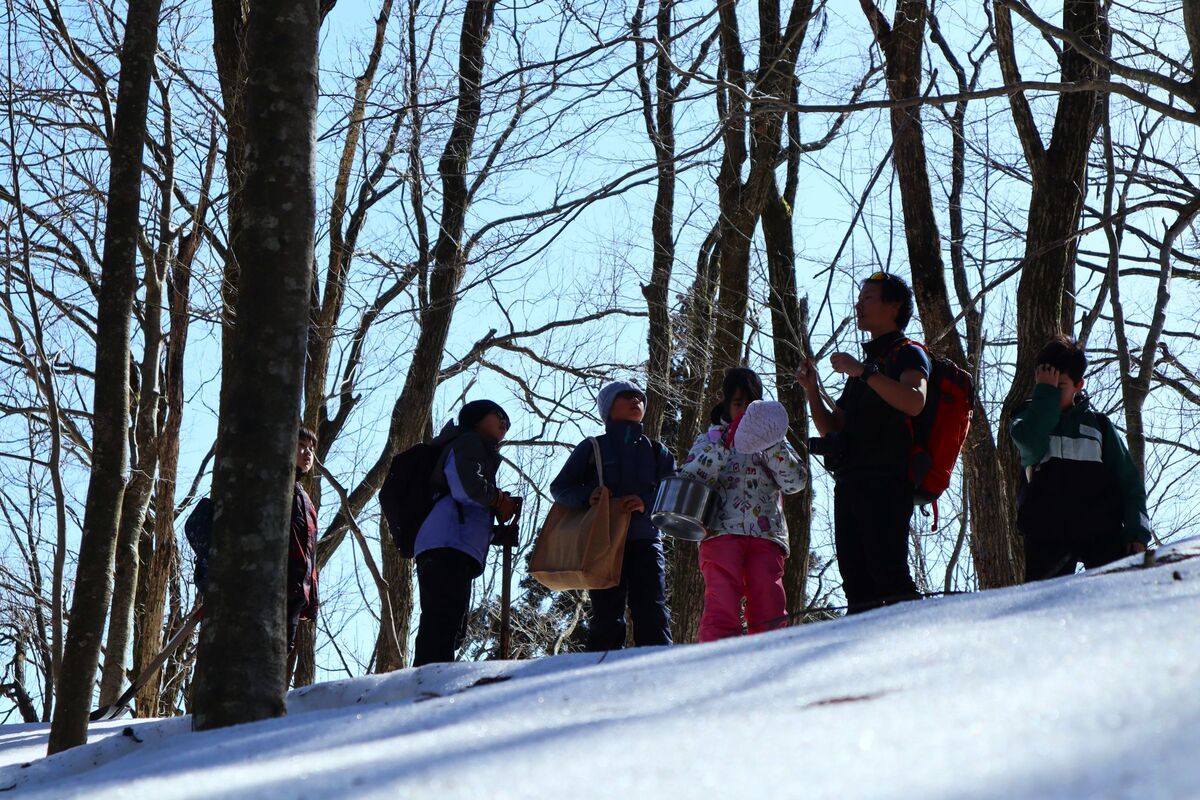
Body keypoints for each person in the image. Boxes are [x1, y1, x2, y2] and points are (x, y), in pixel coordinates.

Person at [796, 272, 930, 614]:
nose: (858, 305)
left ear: (894, 307)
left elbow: (915, 401)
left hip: (887, 482)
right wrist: (812, 391)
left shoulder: (908, 354)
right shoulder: (866, 368)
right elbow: (831, 429)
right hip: (850, 483)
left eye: (868, 298)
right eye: (859, 299)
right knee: (856, 586)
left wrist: (864, 373)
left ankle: (921, 638)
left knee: (890, 576)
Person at [679, 368, 806, 642]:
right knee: (722, 598)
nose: (744, 412)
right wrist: (724, 445)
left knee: (768, 599)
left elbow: (796, 481)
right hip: (720, 532)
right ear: (726, 404)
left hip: (766, 534)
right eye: (738, 404)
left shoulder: (774, 440)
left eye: (751, 405)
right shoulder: (710, 439)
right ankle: (718, 655)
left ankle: (770, 654)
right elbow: (690, 477)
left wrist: (771, 445)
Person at [1010, 336, 1152, 581]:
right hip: (1046, 530)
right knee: (1044, 599)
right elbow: (1030, 445)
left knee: (1118, 590)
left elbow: (1129, 483)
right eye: (1046, 386)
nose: (1052, 393)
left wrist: (1136, 533)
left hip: (1100, 529)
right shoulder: (1026, 418)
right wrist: (1044, 397)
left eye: (1059, 387)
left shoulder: (1100, 426)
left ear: (1078, 384)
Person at [549, 381, 675, 651]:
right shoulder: (592, 447)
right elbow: (560, 489)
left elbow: (673, 494)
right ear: (608, 408)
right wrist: (588, 496)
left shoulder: (658, 451)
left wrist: (646, 503)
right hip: (602, 541)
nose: (636, 401)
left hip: (646, 540)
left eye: (639, 397)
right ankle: (601, 668)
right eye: (627, 396)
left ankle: (660, 666)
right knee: (605, 614)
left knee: (652, 609)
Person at [412, 400, 518, 667]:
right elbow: (465, 486)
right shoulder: (469, 441)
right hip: (447, 545)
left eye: (507, 422)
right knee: (442, 621)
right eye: (498, 415)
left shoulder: (478, 450)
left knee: (450, 625)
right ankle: (428, 680)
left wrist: (495, 533)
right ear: (476, 418)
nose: (504, 423)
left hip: (452, 545)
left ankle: (432, 676)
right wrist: (497, 499)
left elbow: (469, 511)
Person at [288, 427, 321, 653]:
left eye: (311, 448)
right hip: (271, 584)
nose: (308, 452)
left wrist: (312, 599)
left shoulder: (306, 501)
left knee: (282, 650)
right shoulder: (274, 487)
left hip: (296, 591)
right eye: (301, 445)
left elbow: (310, 552)